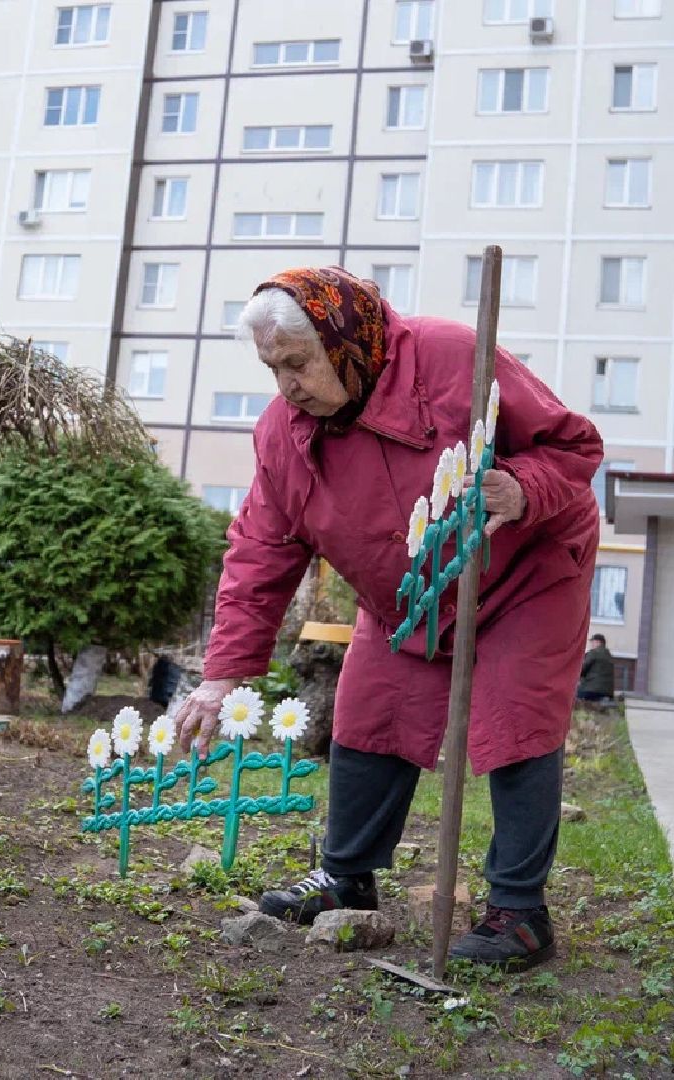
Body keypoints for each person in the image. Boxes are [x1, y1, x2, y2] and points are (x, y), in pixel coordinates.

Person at [173, 266, 602, 971]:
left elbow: (572, 447)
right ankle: (347, 878)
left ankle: (518, 912)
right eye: (271, 367)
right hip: (403, 588)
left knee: (515, 717)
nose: (286, 384)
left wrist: (523, 487)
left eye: (297, 362)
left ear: (344, 342)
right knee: (371, 712)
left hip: (524, 567)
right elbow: (260, 553)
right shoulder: (282, 434)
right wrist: (224, 674)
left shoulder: (450, 357)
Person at [576, 634, 616, 704]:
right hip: (608, 691)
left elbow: (582, 669)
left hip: (592, 690)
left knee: (572, 696)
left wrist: (575, 676)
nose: (591, 644)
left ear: (598, 642)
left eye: (592, 642)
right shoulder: (608, 655)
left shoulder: (594, 653)